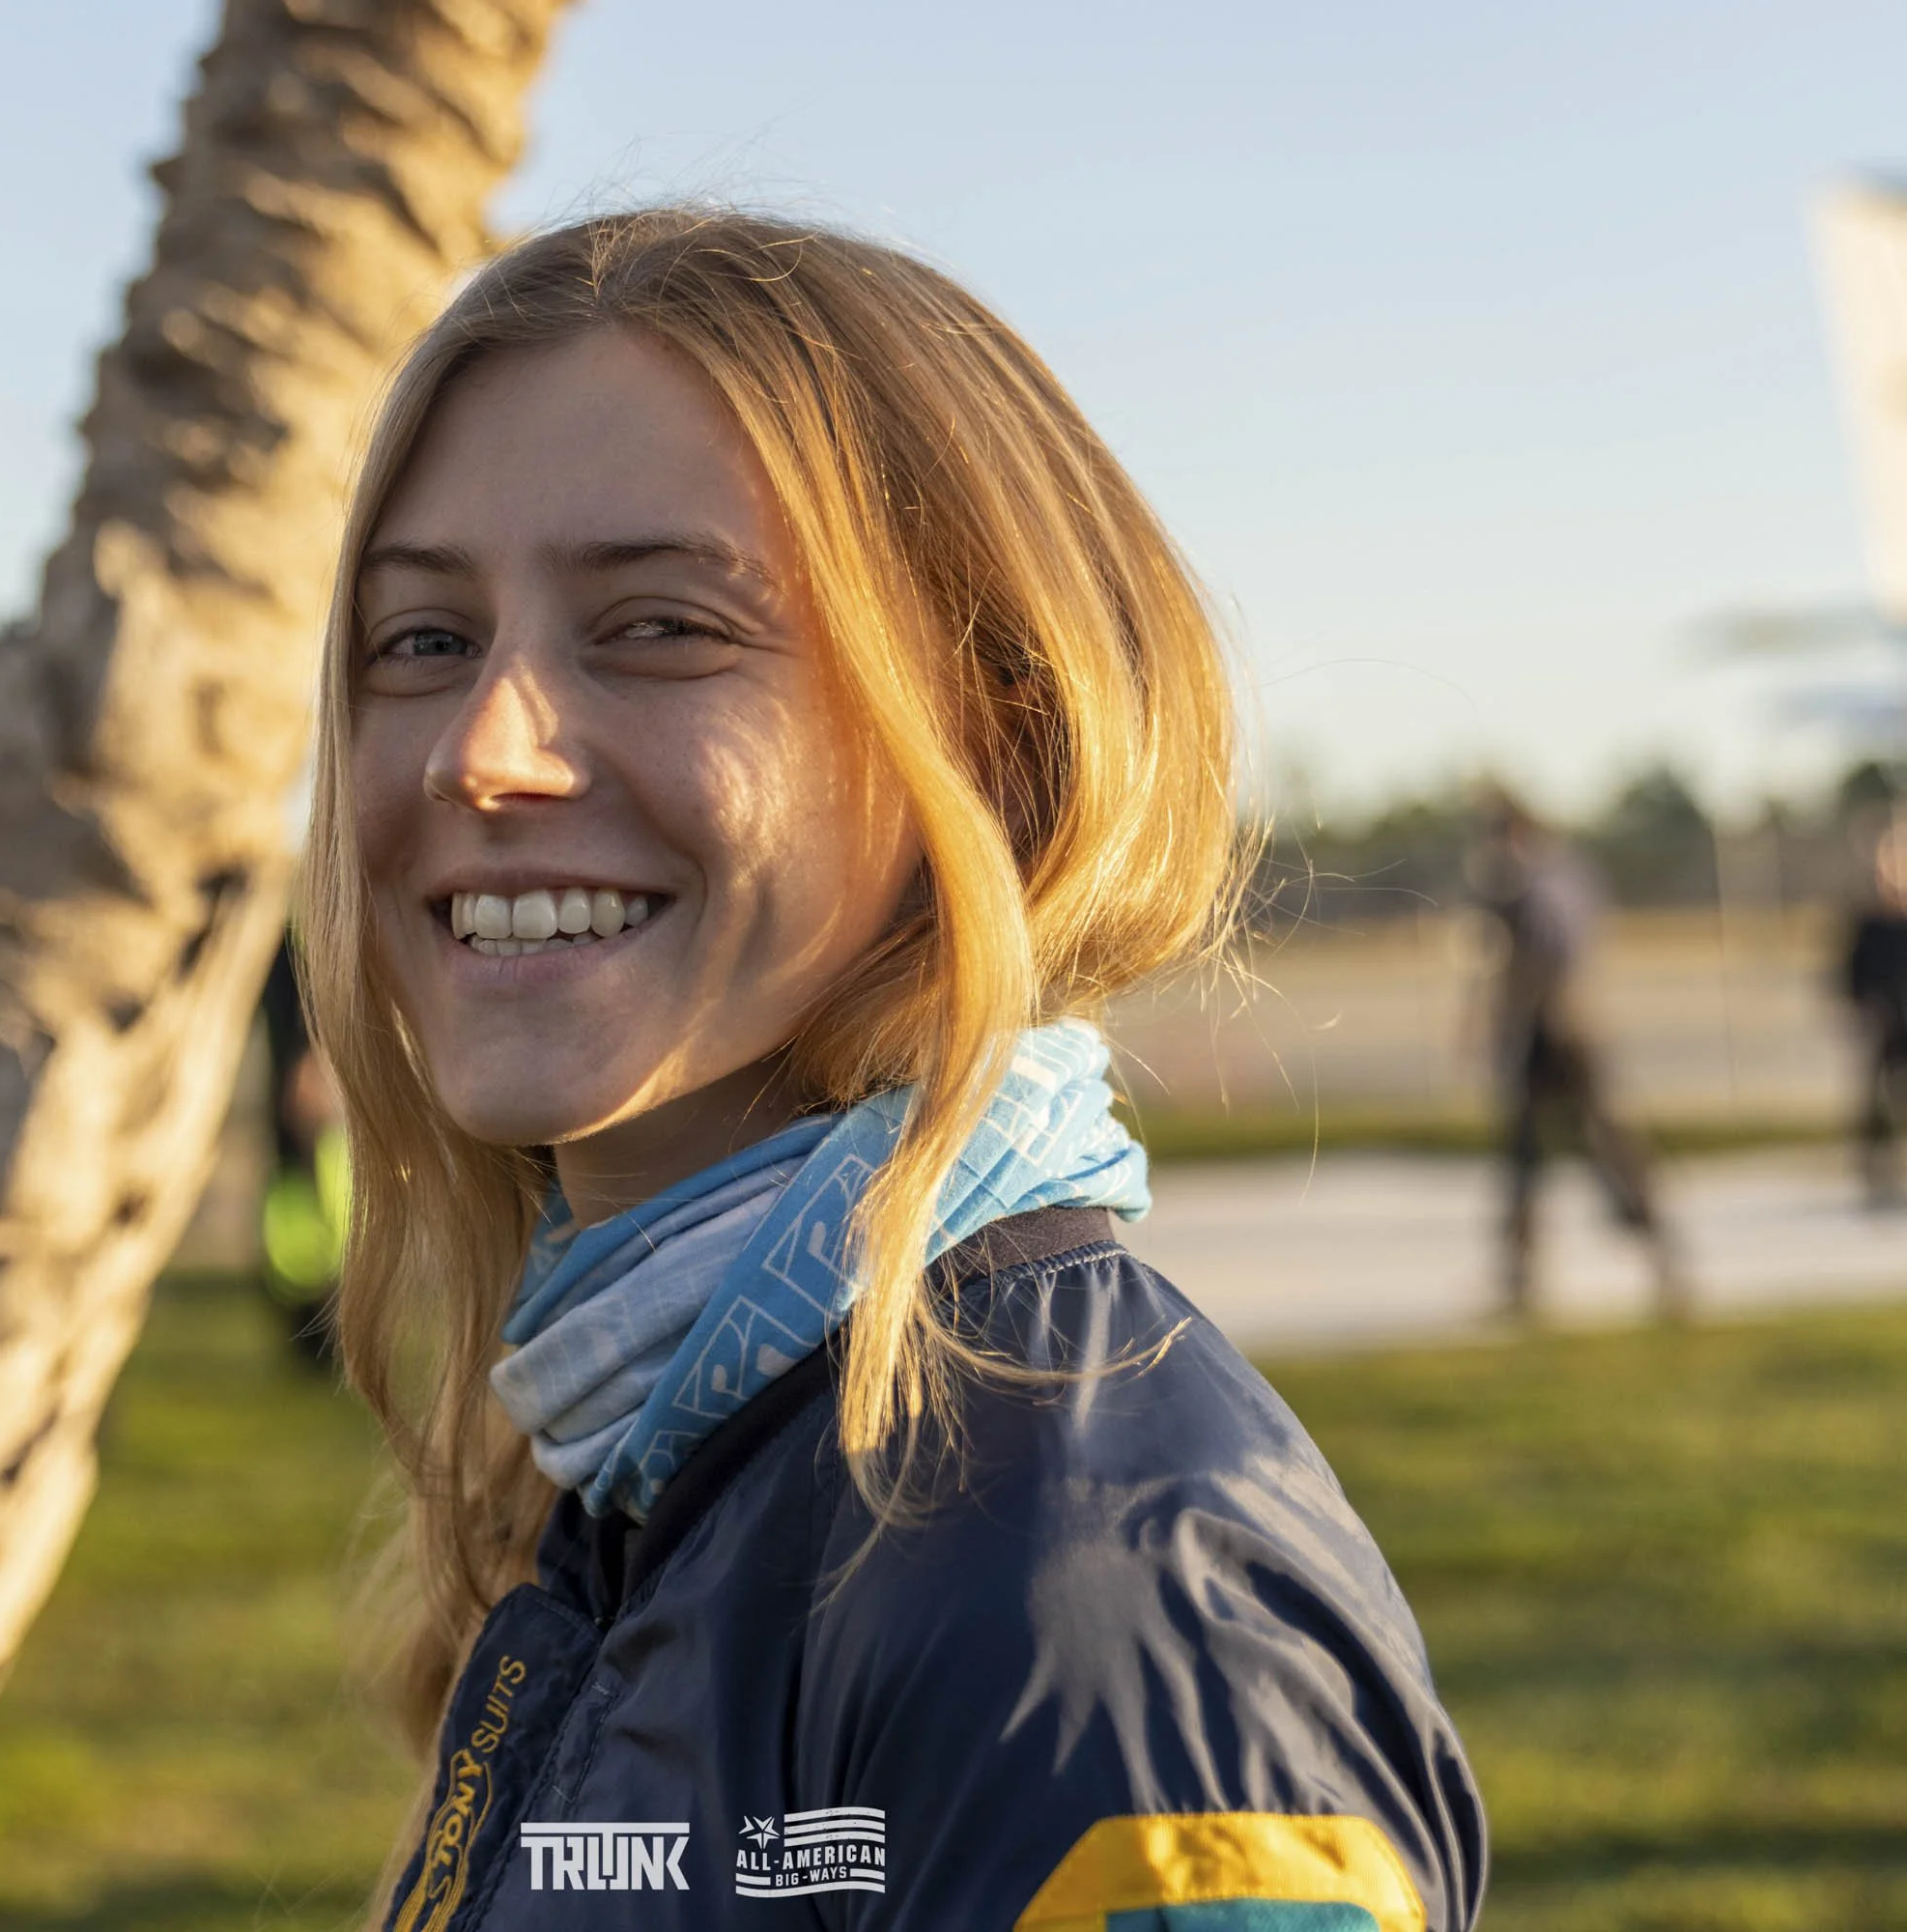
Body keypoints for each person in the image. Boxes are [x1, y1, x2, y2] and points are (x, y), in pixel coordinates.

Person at [300, 208, 1485, 1931]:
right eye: (422, 642)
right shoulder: (676, 1466)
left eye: (657, 626)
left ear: (1001, 745)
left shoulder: (1083, 1595)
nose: (485, 749)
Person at [1466, 788, 1683, 1320]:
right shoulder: (1561, 875)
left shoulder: (1537, 884)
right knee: (1525, 1159)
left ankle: (1664, 1263)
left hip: (1562, 1037)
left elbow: (1548, 957)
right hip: (1551, 1035)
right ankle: (1521, 1279)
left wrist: (1505, 1015)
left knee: (1605, 1151)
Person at [256, 933, 347, 1368]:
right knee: (301, 1207)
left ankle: (325, 1332)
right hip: (293, 1092)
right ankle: (310, 1331)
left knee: (325, 1203)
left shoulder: (311, 936)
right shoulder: (281, 936)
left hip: (309, 1094)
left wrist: (310, 1062)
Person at [1838, 819, 1907, 1208]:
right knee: (1873, 1105)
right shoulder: (1869, 924)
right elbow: (1850, 975)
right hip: (1883, 1026)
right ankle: (1875, 1175)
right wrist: (1864, 1008)